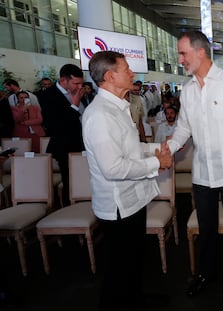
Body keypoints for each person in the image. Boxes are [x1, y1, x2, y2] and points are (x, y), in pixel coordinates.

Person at [167, 30, 223, 300]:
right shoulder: (187, 90)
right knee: (206, 230)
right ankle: (206, 273)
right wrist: (169, 149)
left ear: (200, 52)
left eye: (183, 53)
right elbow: (183, 128)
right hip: (203, 173)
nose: (180, 59)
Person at [82, 51, 172, 311]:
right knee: (118, 270)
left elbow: (129, 151)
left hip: (133, 199)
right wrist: (157, 162)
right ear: (110, 76)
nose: (132, 73)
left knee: (133, 260)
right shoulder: (100, 115)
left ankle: (136, 299)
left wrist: (156, 150)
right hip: (118, 205)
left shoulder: (119, 107)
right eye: (126, 69)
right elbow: (113, 167)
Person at [40, 64, 85, 207]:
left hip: (81, 143)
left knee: (82, 179)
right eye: (76, 83)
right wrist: (74, 106)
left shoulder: (79, 92)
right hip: (64, 146)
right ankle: (69, 209)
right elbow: (55, 125)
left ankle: (85, 205)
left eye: (81, 83)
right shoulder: (48, 96)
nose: (79, 87)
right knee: (70, 181)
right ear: (63, 81)